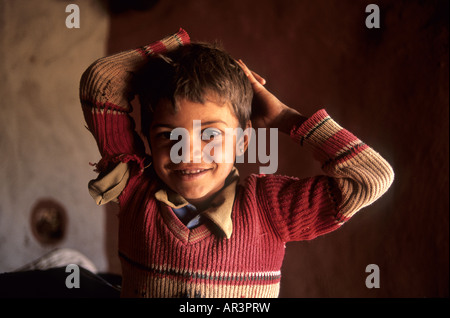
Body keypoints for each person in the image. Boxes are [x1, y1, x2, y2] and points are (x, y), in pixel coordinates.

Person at [80, 28, 394, 298]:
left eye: (210, 135)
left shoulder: (269, 210)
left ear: (243, 140)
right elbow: (100, 83)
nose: (188, 153)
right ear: (148, 138)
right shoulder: (134, 189)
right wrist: (181, 47)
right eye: (167, 135)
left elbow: (369, 178)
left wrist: (285, 117)